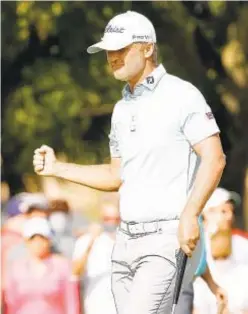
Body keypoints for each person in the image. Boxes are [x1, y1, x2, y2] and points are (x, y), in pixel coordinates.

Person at [33, 10, 226, 313]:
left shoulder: (182, 95)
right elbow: (115, 175)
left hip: (166, 238)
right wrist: (58, 168)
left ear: (148, 48)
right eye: (109, 50)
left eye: (121, 48)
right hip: (124, 241)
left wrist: (191, 214)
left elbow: (214, 158)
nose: (112, 57)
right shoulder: (121, 110)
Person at [3, 217, 81, 314]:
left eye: (42, 239)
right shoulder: (16, 268)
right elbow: (10, 303)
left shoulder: (63, 266)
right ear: (26, 242)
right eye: (33, 239)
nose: (38, 244)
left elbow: (71, 302)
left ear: (49, 240)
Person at [193, 187, 248, 314]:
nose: (230, 217)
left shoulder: (243, 244)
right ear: (207, 214)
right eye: (223, 211)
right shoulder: (195, 249)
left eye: (231, 211)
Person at [72, 201, 120, 314]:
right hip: (95, 306)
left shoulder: (127, 241)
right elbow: (75, 272)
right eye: (107, 219)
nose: (112, 223)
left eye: (116, 219)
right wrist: (91, 241)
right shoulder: (85, 240)